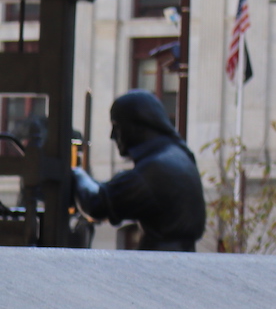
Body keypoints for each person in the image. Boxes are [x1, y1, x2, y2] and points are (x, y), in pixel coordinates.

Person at [71, 89, 205, 251]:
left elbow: (96, 204)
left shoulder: (155, 170)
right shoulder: (177, 156)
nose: (112, 135)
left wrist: (76, 173)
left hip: (159, 265)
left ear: (138, 124)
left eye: (116, 126)